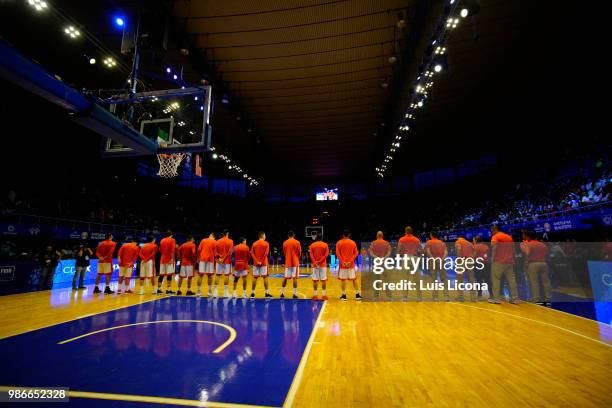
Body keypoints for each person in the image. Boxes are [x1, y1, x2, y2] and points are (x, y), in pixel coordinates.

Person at [489, 225, 518, 304]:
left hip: (498, 262)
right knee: (511, 280)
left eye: (492, 231)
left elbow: (494, 248)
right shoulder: (509, 237)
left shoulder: (495, 237)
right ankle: (514, 299)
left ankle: (496, 299)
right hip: (509, 262)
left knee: (496, 280)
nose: (491, 233)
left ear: (495, 229)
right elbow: (514, 249)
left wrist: (493, 258)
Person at [523, 231, 551, 306]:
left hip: (533, 264)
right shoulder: (542, 245)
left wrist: (526, 263)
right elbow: (547, 255)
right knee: (546, 282)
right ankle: (547, 299)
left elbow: (527, 254)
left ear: (529, 237)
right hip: (544, 263)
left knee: (534, 282)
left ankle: (536, 299)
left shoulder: (529, 244)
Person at [397, 226, 422, 300]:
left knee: (405, 279)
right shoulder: (417, 239)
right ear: (412, 232)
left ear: (405, 232)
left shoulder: (401, 239)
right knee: (417, 278)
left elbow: (398, 250)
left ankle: (405, 297)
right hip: (414, 258)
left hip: (406, 258)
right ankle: (419, 297)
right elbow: (421, 250)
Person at [336, 229, 361, 301]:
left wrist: (343, 261)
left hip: (343, 265)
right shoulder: (353, 242)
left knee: (343, 280)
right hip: (351, 265)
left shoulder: (339, 242)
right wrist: (350, 261)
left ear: (343, 235)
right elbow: (356, 253)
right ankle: (357, 295)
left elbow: (338, 254)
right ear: (349, 235)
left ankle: (344, 296)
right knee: (354, 279)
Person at [425, 231, 448, 301]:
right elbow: (446, 252)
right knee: (444, 279)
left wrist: (433, 258)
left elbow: (428, 251)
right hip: (441, 261)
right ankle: (446, 296)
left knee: (434, 279)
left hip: (433, 262)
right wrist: (442, 259)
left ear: (431, 235)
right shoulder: (442, 243)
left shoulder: (428, 242)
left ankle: (435, 297)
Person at [250, 231, 272, 298]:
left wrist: (257, 261)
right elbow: (266, 254)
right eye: (265, 235)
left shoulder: (254, 243)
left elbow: (252, 253)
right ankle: (267, 293)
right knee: (265, 277)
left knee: (255, 277)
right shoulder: (266, 243)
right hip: (264, 263)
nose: (265, 236)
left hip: (256, 263)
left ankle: (253, 293)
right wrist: (261, 261)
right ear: (262, 236)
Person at [455, 235, 476, 301]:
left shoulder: (458, 241)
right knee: (471, 279)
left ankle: (461, 297)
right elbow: (475, 251)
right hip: (470, 261)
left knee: (460, 279)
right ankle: (473, 297)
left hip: (462, 260)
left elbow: (459, 249)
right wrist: (472, 258)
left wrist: (459, 259)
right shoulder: (469, 243)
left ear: (458, 237)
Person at [281, 230, 301, 299]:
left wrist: (288, 258)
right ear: (294, 235)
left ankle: (282, 293)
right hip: (295, 262)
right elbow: (299, 253)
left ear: (288, 235)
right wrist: (296, 258)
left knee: (285, 278)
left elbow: (284, 252)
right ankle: (294, 294)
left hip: (288, 262)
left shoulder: (285, 243)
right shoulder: (297, 242)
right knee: (294, 278)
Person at [309, 233, 329, 300]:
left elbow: (311, 255)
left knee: (315, 280)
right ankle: (323, 295)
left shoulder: (312, 245)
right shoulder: (325, 245)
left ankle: (315, 295)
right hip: (323, 265)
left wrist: (315, 262)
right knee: (323, 280)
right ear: (322, 238)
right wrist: (320, 261)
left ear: (316, 238)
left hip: (315, 265)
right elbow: (326, 255)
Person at [214, 229, 234, 298]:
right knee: (226, 276)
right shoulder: (230, 241)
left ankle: (215, 293)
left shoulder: (217, 241)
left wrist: (219, 258)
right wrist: (223, 258)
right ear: (227, 233)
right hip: (227, 261)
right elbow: (229, 252)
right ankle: (225, 293)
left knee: (217, 275)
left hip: (219, 261)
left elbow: (215, 252)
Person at [197, 232, 216, 297]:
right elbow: (215, 253)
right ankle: (209, 292)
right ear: (214, 237)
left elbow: (199, 250)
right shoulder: (214, 242)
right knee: (210, 276)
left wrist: (200, 257)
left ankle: (198, 292)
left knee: (200, 275)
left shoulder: (203, 240)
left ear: (209, 235)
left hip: (202, 259)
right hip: (210, 260)